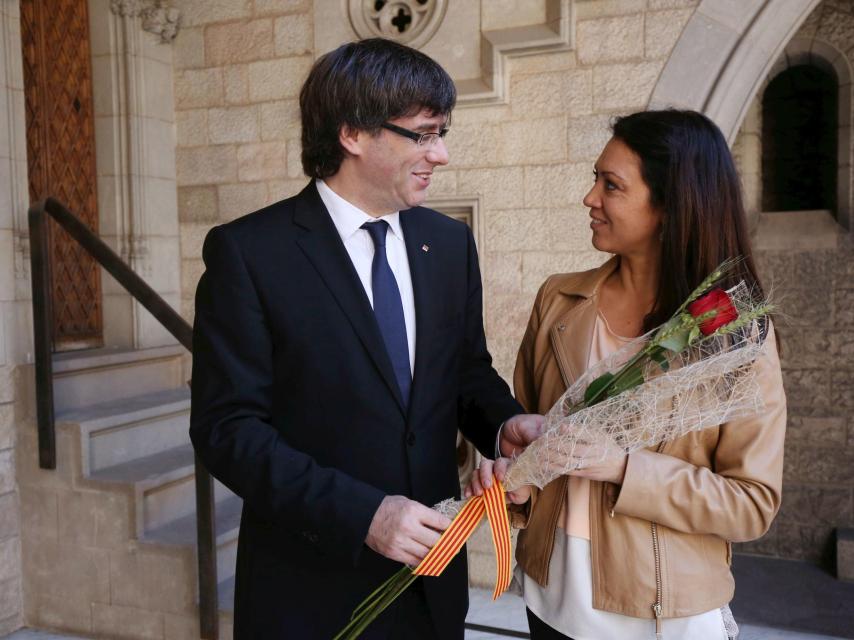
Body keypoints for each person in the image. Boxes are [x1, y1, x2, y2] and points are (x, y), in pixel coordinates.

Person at [189, 38, 542, 640]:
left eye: (441, 133)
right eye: (424, 134)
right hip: (308, 593)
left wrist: (502, 422)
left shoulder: (448, 243)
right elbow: (228, 431)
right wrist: (364, 515)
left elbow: (464, 372)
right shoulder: (250, 253)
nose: (443, 153)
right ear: (353, 133)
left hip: (433, 582)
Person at [469, 110, 787, 640]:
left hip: (662, 618)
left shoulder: (732, 333)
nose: (589, 197)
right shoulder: (558, 301)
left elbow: (750, 504)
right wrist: (515, 483)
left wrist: (623, 468)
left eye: (610, 184)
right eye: (596, 178)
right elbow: (532, 447)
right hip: (549, 600)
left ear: (670, 206)